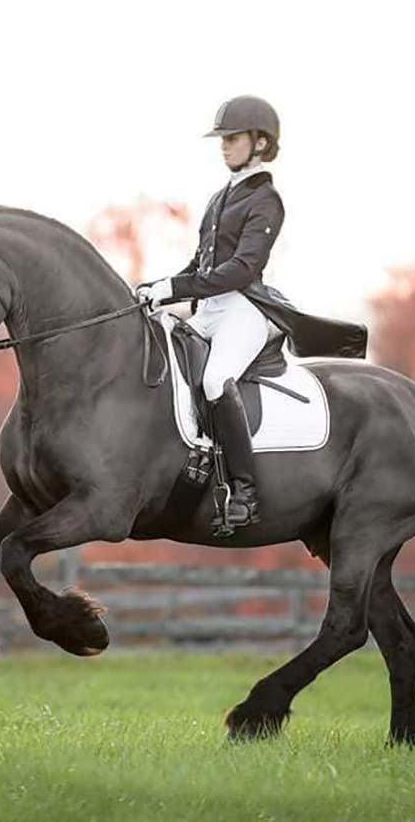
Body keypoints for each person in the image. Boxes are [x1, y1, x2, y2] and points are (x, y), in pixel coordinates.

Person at [137, 94, 285, 531]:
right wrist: (158, 290)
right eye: (222, 139)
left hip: (245, 308)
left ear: (259, 143)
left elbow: (241, 270)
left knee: (217, 380)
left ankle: (245, 491)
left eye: (232, 138)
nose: (224, 146)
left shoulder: (266, 199)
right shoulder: (221, 197)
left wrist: (176, 287)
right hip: (209, 307)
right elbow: (201, 266)